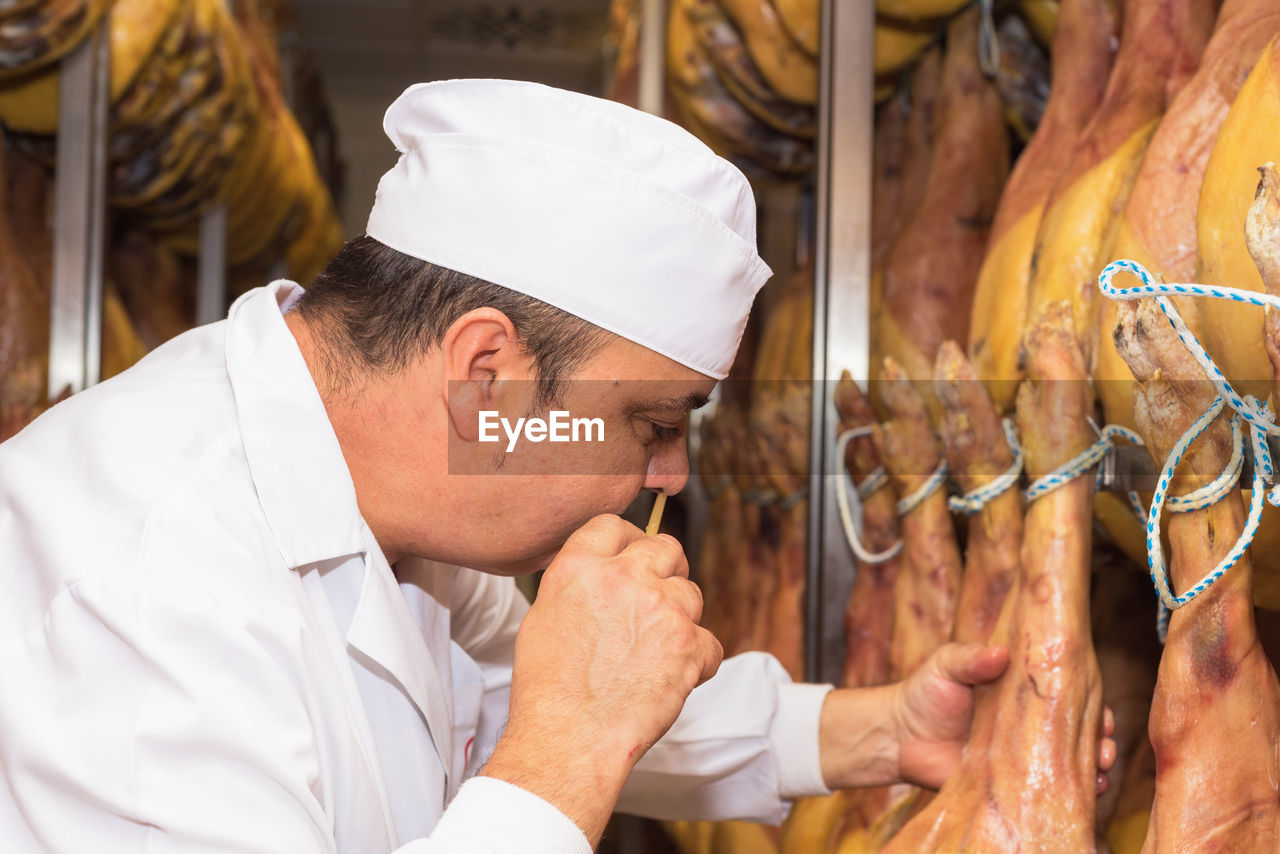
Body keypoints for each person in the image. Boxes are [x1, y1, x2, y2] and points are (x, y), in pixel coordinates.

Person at [0, 79, 1113, 853]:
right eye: (650, 421)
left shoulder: (386, 495)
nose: (668, 472)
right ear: (485, 371)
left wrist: (873, 730)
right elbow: (553, 729)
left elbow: (505, 695)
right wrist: (567, 745)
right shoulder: (144, 591)